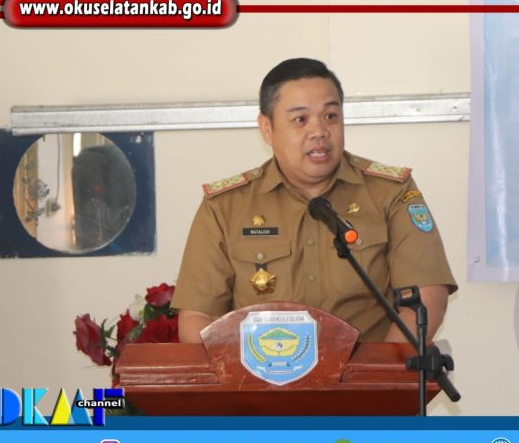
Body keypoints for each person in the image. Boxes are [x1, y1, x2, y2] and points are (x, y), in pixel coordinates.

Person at [172, 58, 457, 343]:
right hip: (258, 369)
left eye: (330, 116)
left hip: (368, 368)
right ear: (267, 128)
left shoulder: (390, 192)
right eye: (301, 119)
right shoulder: (225, 207)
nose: (320, 131)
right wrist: (239, 372)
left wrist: (380, 368)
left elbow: (425, 299)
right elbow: (198, 318)